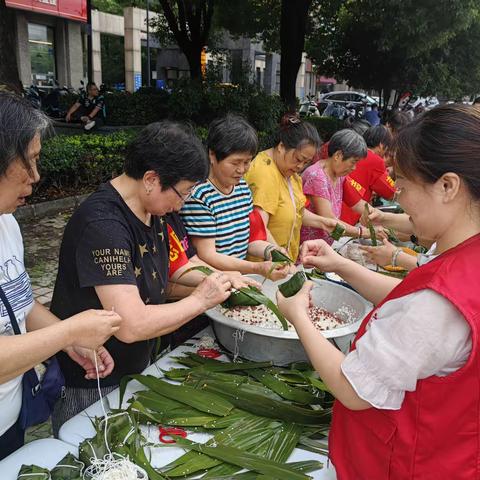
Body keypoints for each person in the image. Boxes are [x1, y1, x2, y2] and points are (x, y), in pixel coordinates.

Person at [277, 104, 480, 479]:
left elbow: (352, 389)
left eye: (402, 185)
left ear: (448, 186)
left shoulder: (437, 305)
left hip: (400, 463)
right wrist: (341, 265)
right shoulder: (465, 260)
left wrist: (298, 315)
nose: (398, 199)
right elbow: (410, 298)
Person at [50, 121, 243, 434]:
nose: (182, 204)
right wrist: (200, 300)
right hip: (94, 379)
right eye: (183, 193)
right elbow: (131, 324)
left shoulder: (155, 210)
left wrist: (221, 281)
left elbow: (160, 282)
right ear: (152, 179)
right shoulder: (104, 225)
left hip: (136, 367)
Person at [0, 93, 121, 459]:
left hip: (9, 417)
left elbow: (20, 303)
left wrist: (70, 344)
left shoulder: (6, 224)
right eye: (30, 162)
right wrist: (68, 331)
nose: (36, 177)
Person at [180, 114, 291, 276]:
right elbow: (207, 254)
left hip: (239, 279)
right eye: (235, 162)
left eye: (247, 162)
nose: (241, 170)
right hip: (214, 281)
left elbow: (250, 241)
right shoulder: (199, 196)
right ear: (212, 155)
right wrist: (256, 268)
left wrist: (272, 252)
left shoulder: (242, 188)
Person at [244, 114, 337, 261]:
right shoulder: (264, 173)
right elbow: (259, 226)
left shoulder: (290, 172)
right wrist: (281, 259)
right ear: (281, 147)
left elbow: (294, 210)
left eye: (306, 162)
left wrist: (322, 222)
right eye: (298, 159)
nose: (300, 166)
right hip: (264, 266)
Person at [301, 129, 375, 244]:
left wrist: (379, 216)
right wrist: (363, 232)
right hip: (308, 248)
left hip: (324, 247)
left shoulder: (339, 176)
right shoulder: (317, 177)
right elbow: (329, 221)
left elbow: (357, 203)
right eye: (353, 162)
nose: (354, 168)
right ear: (338, 155)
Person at [340, 125, 396, 225]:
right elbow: (391, 193)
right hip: (347, 217)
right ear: (381, 145)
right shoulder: (375, 161)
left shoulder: (351, 151)